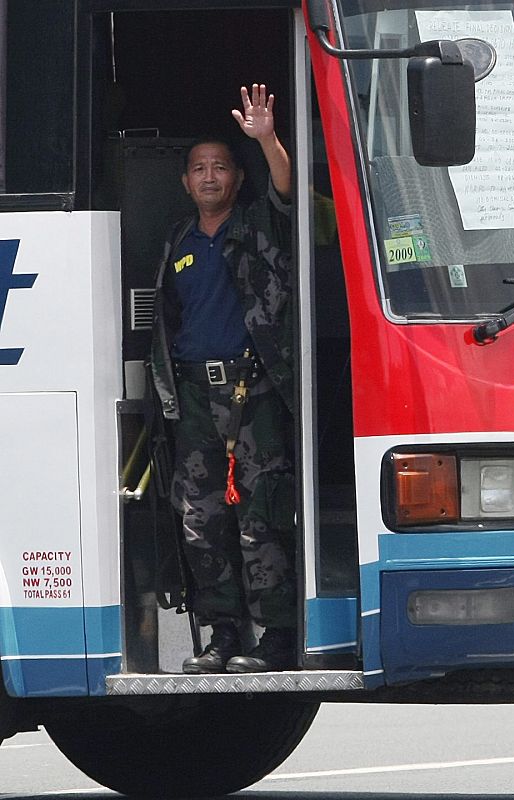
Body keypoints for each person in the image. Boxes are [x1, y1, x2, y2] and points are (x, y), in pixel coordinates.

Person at [151, 84, 296, 674]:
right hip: (192, 393)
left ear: (237, 177)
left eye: (219, 167)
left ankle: (278, 636)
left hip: (252, 391)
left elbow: (286, 191)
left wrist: (266, 139)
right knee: (201, 519)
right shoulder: (178, 241)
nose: (209, 177)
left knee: (258, 514)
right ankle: (222, 635)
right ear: (186, 182)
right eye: (198, 169)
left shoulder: (259, 223)